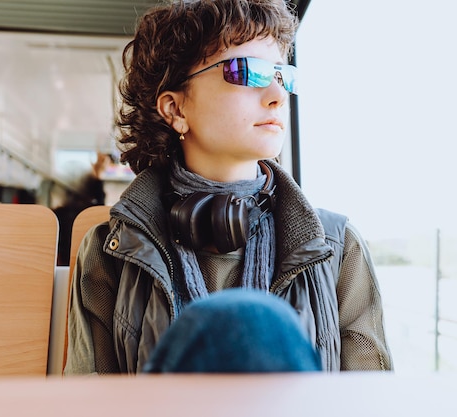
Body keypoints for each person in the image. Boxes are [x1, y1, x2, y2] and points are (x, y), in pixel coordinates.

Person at [64, 0, 393, 374]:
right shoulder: (110, 251)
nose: (277, 95)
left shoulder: (336, 247)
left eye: (282, 76)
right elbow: (90, 403)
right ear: (175, 109)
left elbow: (368, 402)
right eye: (247, 73)